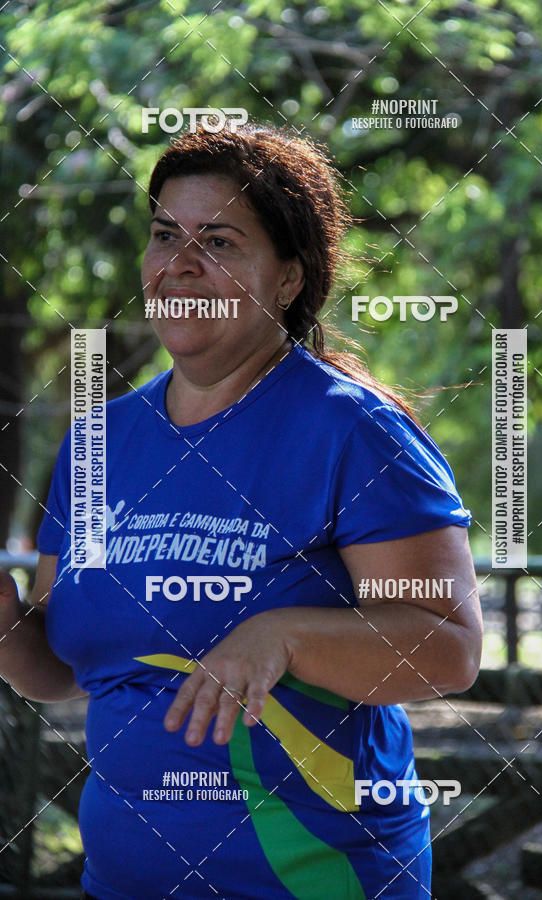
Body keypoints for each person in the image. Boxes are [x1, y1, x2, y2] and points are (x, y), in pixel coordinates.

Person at [0, 121, 482, 900]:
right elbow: (66, 671)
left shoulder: (352, 430)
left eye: (218, 241)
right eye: (165, 234)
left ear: (288, 279)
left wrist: (281, 636)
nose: (179, 263)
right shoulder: (97, 440)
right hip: (123, 882)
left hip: (319, 880)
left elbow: (448, 649)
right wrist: (6, 627)